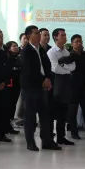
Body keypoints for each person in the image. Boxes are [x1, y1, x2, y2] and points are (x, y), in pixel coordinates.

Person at [20, 24, 57, 152]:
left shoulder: (40, 49)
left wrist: (49, 79)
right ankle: (30, 142)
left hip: (42, 87)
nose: (39, 35)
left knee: (45, 115)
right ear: (29, 35)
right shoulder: (26, 51)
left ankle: (46, 141)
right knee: (30, 117)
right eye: (36, 33)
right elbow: (29, 71)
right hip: (30, 88)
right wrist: (43, 80)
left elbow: (47, 66)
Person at [46, 27, 77, 146]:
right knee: (55, 110)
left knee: (64, 111)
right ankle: (50, 137)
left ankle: (61, 137)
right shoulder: (51, 52)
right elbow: (55, 68)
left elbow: (73, 66)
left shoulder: (66, 52)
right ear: (56, 37)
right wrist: (67, 68)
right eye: (62, 35)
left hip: (66, 82)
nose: (65, 37)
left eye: (65, 35)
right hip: (57, 82)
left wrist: (64, 66)